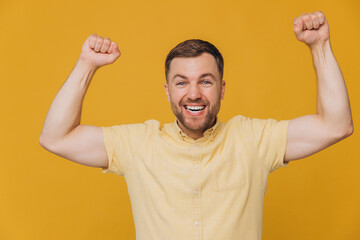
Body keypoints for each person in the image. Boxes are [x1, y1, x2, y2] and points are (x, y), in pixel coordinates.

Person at [39, 11, 353, 240]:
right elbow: (56, 137)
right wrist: (87, 65)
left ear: (222, 88)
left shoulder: (255, 140)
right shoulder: (135, 144)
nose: (194, 93)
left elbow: (335, 125)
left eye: (206, 81)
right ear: (167, 91)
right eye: (181, 82)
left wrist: (320, 46)